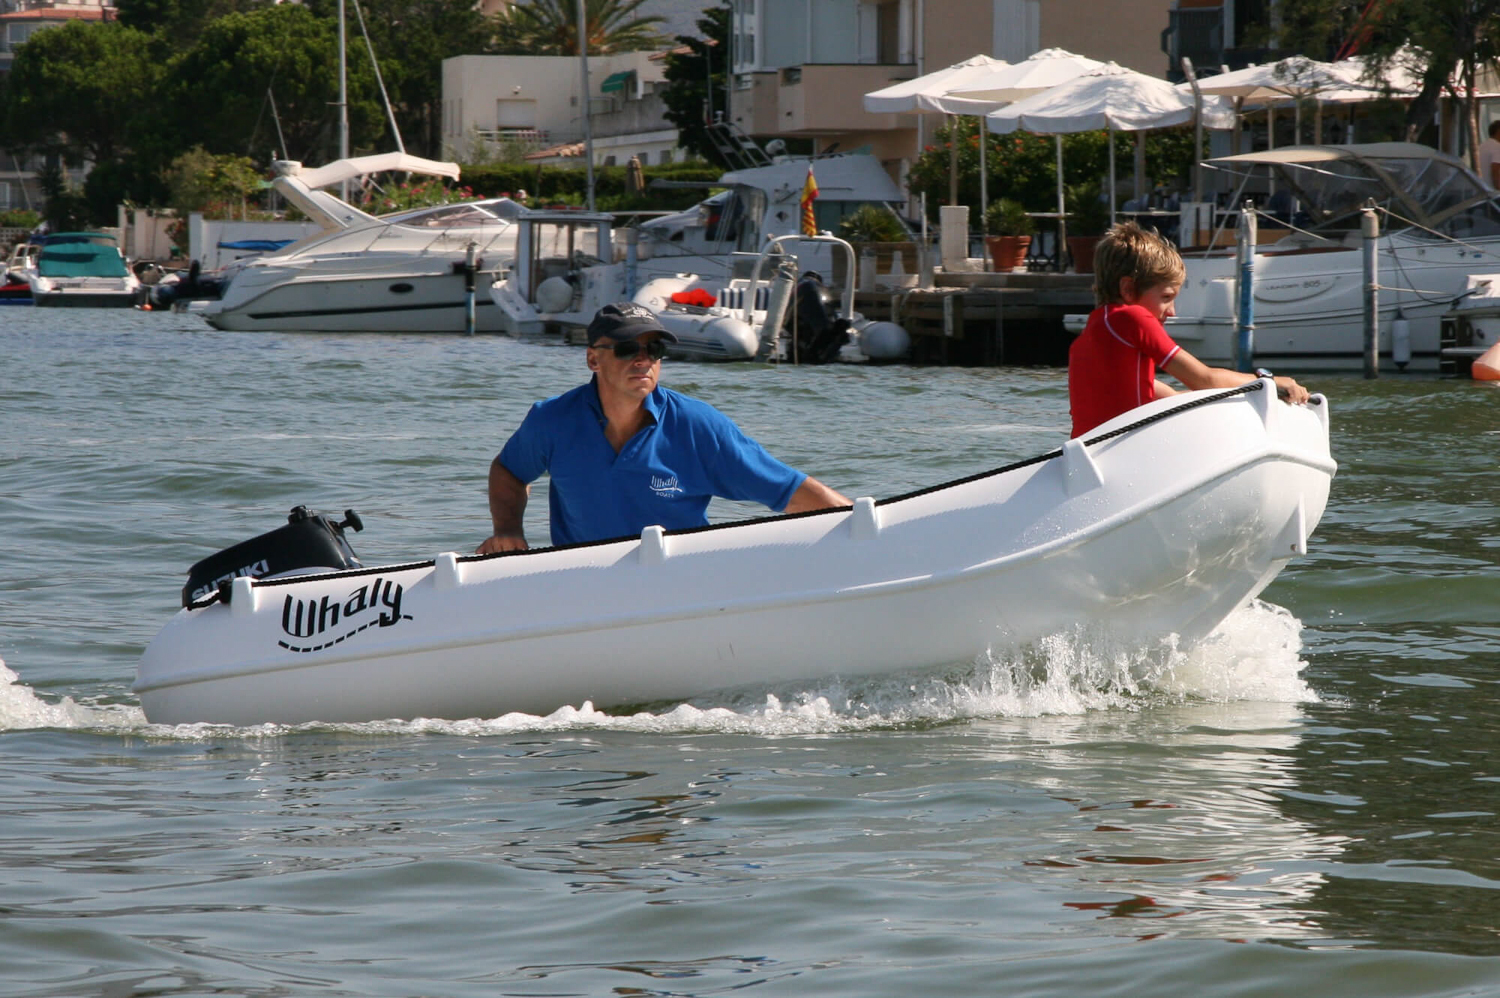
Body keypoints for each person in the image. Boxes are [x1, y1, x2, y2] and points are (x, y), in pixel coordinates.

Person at [476, 302, 851, 553]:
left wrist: (866, 528)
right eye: (626, 349)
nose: (643, 360)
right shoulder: (552, 420)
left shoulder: (697, 426)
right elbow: (508, 471)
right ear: (593, 358)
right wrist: (509, 530)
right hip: (582, 582)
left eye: (653, 349)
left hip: (679, 583)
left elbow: (789, 490)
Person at [1068, 222, 1310, 439]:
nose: (1171, 311)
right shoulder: (1132, 318)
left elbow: (1173, 397)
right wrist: (1271, 382)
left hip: (1091, 455)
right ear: (1128, 289)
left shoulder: (1091, 336)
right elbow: (1205, 380)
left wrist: (1247, 393)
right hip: (1125, 453)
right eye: (1166, 297)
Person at [1478, 121, 1500, 190]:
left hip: (1480, 189)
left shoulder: (1481, 146)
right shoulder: (1497, 147)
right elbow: (1495, 171)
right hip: (1492, 192)